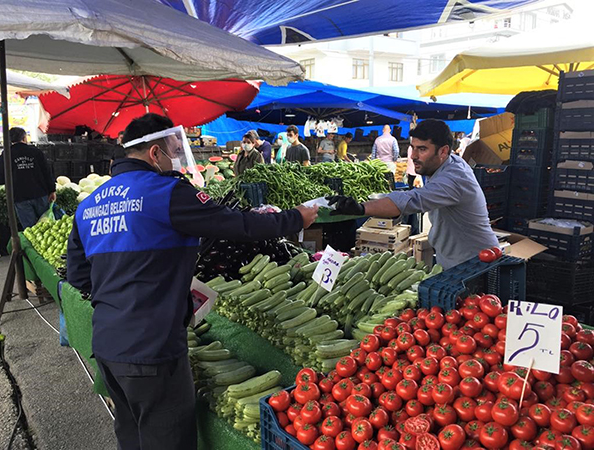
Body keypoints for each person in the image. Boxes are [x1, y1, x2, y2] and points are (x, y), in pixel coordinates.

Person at [66, 113, 318, 450]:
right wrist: (294, 218)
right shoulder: (166, 192)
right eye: (171, 150)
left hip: (109, 344)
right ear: (155, 153)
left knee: (132, 435)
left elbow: (79, 276)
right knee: (168, 438)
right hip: (152, 349)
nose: (174, 158)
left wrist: (130, 288)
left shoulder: (89, 206)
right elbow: (237, 225)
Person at [328, 119, 498, 270]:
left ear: (443, 151)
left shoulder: (453, 178)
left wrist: (361, 208)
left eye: (422, 149)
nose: (414, 156)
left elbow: (412, 200)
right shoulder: (446, 164)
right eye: (413, 148)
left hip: (475, 263)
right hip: (454, 260)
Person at [0, 127, 55, 229]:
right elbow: (47, 172)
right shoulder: (36, 152)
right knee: (47, 226)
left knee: (30, 229)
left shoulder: (6, 155)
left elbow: (2, 177)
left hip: (20, 197)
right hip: (40, 194)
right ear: (24, 138)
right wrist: (52, 190)